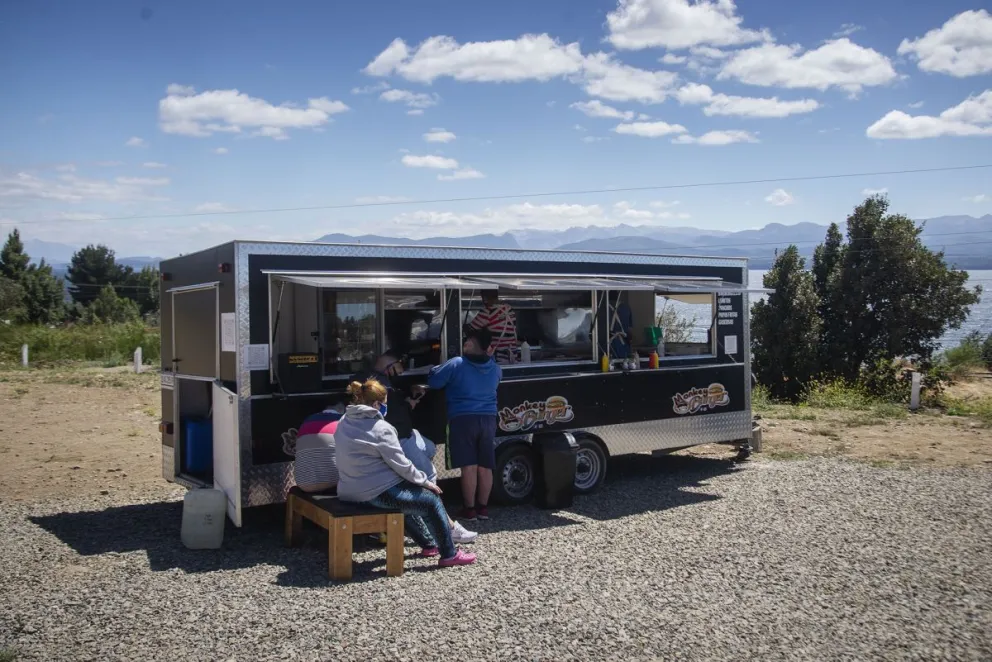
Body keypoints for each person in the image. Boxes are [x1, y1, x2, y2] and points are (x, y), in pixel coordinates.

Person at [335, 378, 476, 567]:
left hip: (348, 490)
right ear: (376, 404)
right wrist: (425, 482)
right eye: (384, 404)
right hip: (375, 493)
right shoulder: (381, 428)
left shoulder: (344, 421)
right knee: (431, 500)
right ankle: (449, 554)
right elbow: (401, 464)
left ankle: (429, 544)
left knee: (407, 497)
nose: (386, 408)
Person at [351, 351, 478, 543]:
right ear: (389, 367)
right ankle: (445, 527)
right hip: (401, 439)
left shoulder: (364, 387)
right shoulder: (385, 392)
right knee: (429, 479)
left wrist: (407, 402)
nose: (401, 373)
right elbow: (397, 422)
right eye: (399, 368)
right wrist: (420, 479)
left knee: (429, 448)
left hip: (371, 468)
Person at [427, 327, 502, 522]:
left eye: (467, 340)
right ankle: (483, 509)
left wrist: (434, 366)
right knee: (485, 466)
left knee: (469, 466)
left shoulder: (457, 364)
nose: (465, 342)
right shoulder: (495, 367)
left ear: (469, 344)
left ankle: (469, 510)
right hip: (488, 419)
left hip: (462, 419)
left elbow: (434, 381)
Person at [288, 403, 343, 493]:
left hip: (303, 483)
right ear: (342, 410)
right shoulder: (343, 421)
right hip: (331, 482)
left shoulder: (307, 420)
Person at [469, 290, 518, 364]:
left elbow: (471, 329)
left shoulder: (487, 311)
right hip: (513, 357)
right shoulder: (509, 309)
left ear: (485, 298)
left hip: (497, 359)